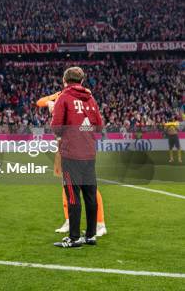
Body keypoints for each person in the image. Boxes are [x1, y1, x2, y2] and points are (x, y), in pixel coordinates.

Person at [36, 92, 107, 237]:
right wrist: (50, 102)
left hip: (78, 146)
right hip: (64, 145)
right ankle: (70, 221)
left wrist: (55, 109)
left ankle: (100, 224)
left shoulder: (84, 97)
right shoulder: (63, 95)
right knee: (66, 184)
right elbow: (40, 102)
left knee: (88, 188)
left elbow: (91, 125)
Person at [51, 67, 103, 248]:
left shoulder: (64, 98)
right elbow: (98, 127)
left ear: (65, 80)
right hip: (89, 153)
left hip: (71, 153)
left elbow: (56, 127)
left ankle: (74, 238)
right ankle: (91, 235)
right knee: (90, 195)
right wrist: (84, 129)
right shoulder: (90, 98)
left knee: (73, 195)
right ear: (81, 81)